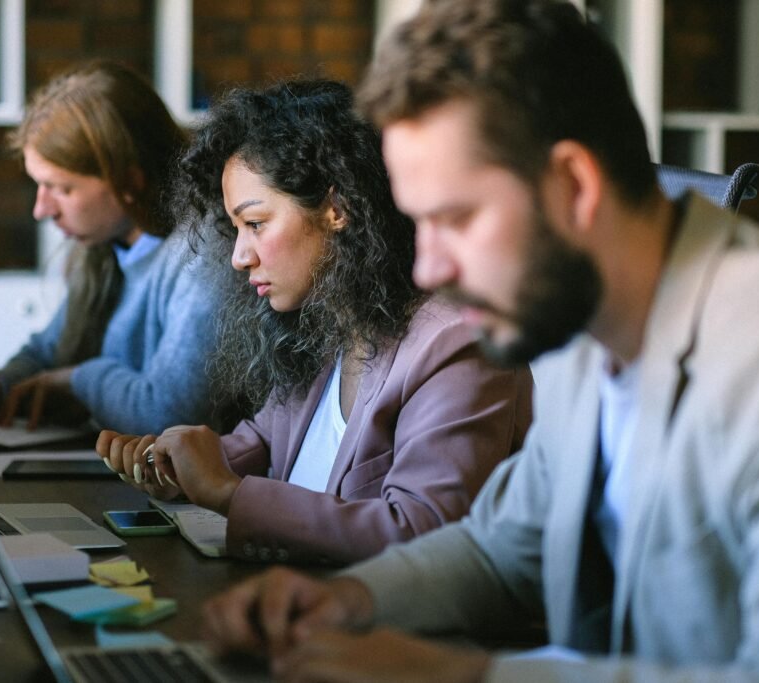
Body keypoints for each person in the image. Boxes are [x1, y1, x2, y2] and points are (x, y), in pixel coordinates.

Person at [196, 2, 759, 681]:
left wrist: (463, 675)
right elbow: (501, 546)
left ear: (575, 186)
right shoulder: (583, 328)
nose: (428, 266)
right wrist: (346, 599)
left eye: (454, 218)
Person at [96, 79, 533, 566]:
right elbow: (264, 441)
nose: (240, 256)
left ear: (337, 208)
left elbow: (423, 532)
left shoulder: (457, 343)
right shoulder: (331, 319)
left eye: (256, 223)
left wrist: (227, 493)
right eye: (235, 229)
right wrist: (176, 463)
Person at [0, 60, 217, 435]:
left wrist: (77, 380)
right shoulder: (108, 245)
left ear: (129, 180)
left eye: (61, 188)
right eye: (39, 186)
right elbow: (47, 353)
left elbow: (168, 416)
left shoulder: (202, 253)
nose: (41, 210)